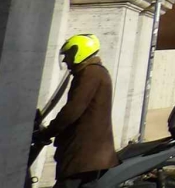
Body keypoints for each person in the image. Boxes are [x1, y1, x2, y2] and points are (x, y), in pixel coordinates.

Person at [38, 34, 119, 188]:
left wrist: (49, 131)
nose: (65, 60)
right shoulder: (94, 72)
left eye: (68, 55)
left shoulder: (90, 73)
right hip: (90, 153)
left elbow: (72, 111)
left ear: (78, 53)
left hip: (84, 153)